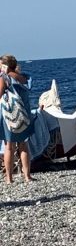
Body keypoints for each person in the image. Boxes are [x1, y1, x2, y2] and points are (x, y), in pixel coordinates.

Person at [0, 54, 34, 183]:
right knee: (23, 145)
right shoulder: (24, 78)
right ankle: (27, 176)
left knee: (9, 146)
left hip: (10, 115)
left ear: (5, 66)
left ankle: (9, 178)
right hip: (24, 115)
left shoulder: (4, 77)